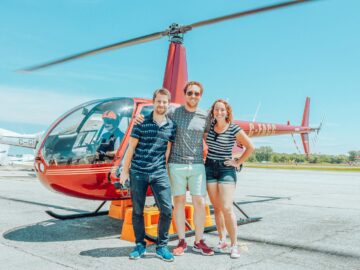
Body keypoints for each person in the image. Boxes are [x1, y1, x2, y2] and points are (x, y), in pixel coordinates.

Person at [135, 81, 214, 256]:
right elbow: (157, 114)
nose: (193, 96)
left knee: (199, 203)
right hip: (176, 164)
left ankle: (199, 241)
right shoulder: (173, 112)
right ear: (185, 95)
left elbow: (209, 138)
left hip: (197, 165)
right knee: (178, 202)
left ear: (200, 96)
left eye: (196, 93)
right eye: (190, 93)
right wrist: (139, 118)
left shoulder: (205, 116)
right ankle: (181, 240)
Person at [120, 88, 177, 262]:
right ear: (154, 102)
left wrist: (167, 173)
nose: (161, 104)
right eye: (159, 101)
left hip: (159, 172)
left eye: (165, 102)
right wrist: (124, 171)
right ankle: (139, 244)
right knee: (138, 210)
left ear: (168, 104)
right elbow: (131, 148)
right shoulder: (141, 122)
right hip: (138, 171)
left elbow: (167, 152)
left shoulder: (171, 126)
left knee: (167, 210)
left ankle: (161, 246)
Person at [205, 99, 254, 259]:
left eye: (222, 110)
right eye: (216, 110)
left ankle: (234, 245)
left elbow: (250, 147)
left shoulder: (234, 128)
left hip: (226, 168)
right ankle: (222, 240)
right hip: (210, 168)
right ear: (212, 112)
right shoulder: (210, 128)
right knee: (217, 208)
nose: (219, 112)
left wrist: (238, 162)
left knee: (226, 207)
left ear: (227, 112)